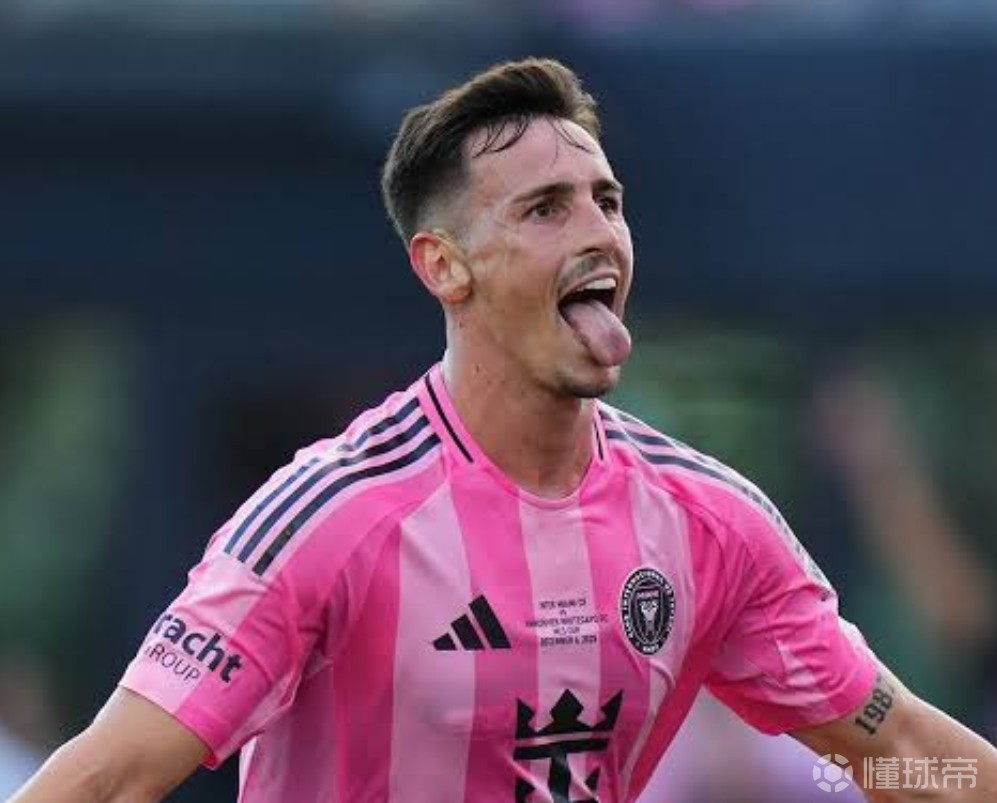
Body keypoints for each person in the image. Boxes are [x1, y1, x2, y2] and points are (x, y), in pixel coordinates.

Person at [10, 57, 996, 803]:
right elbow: (110, 776)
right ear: (444, 265)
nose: (598, 232)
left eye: (606, 201)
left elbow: (903, 748)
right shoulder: (328, 517)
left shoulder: (710, 522)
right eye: (544, 209)